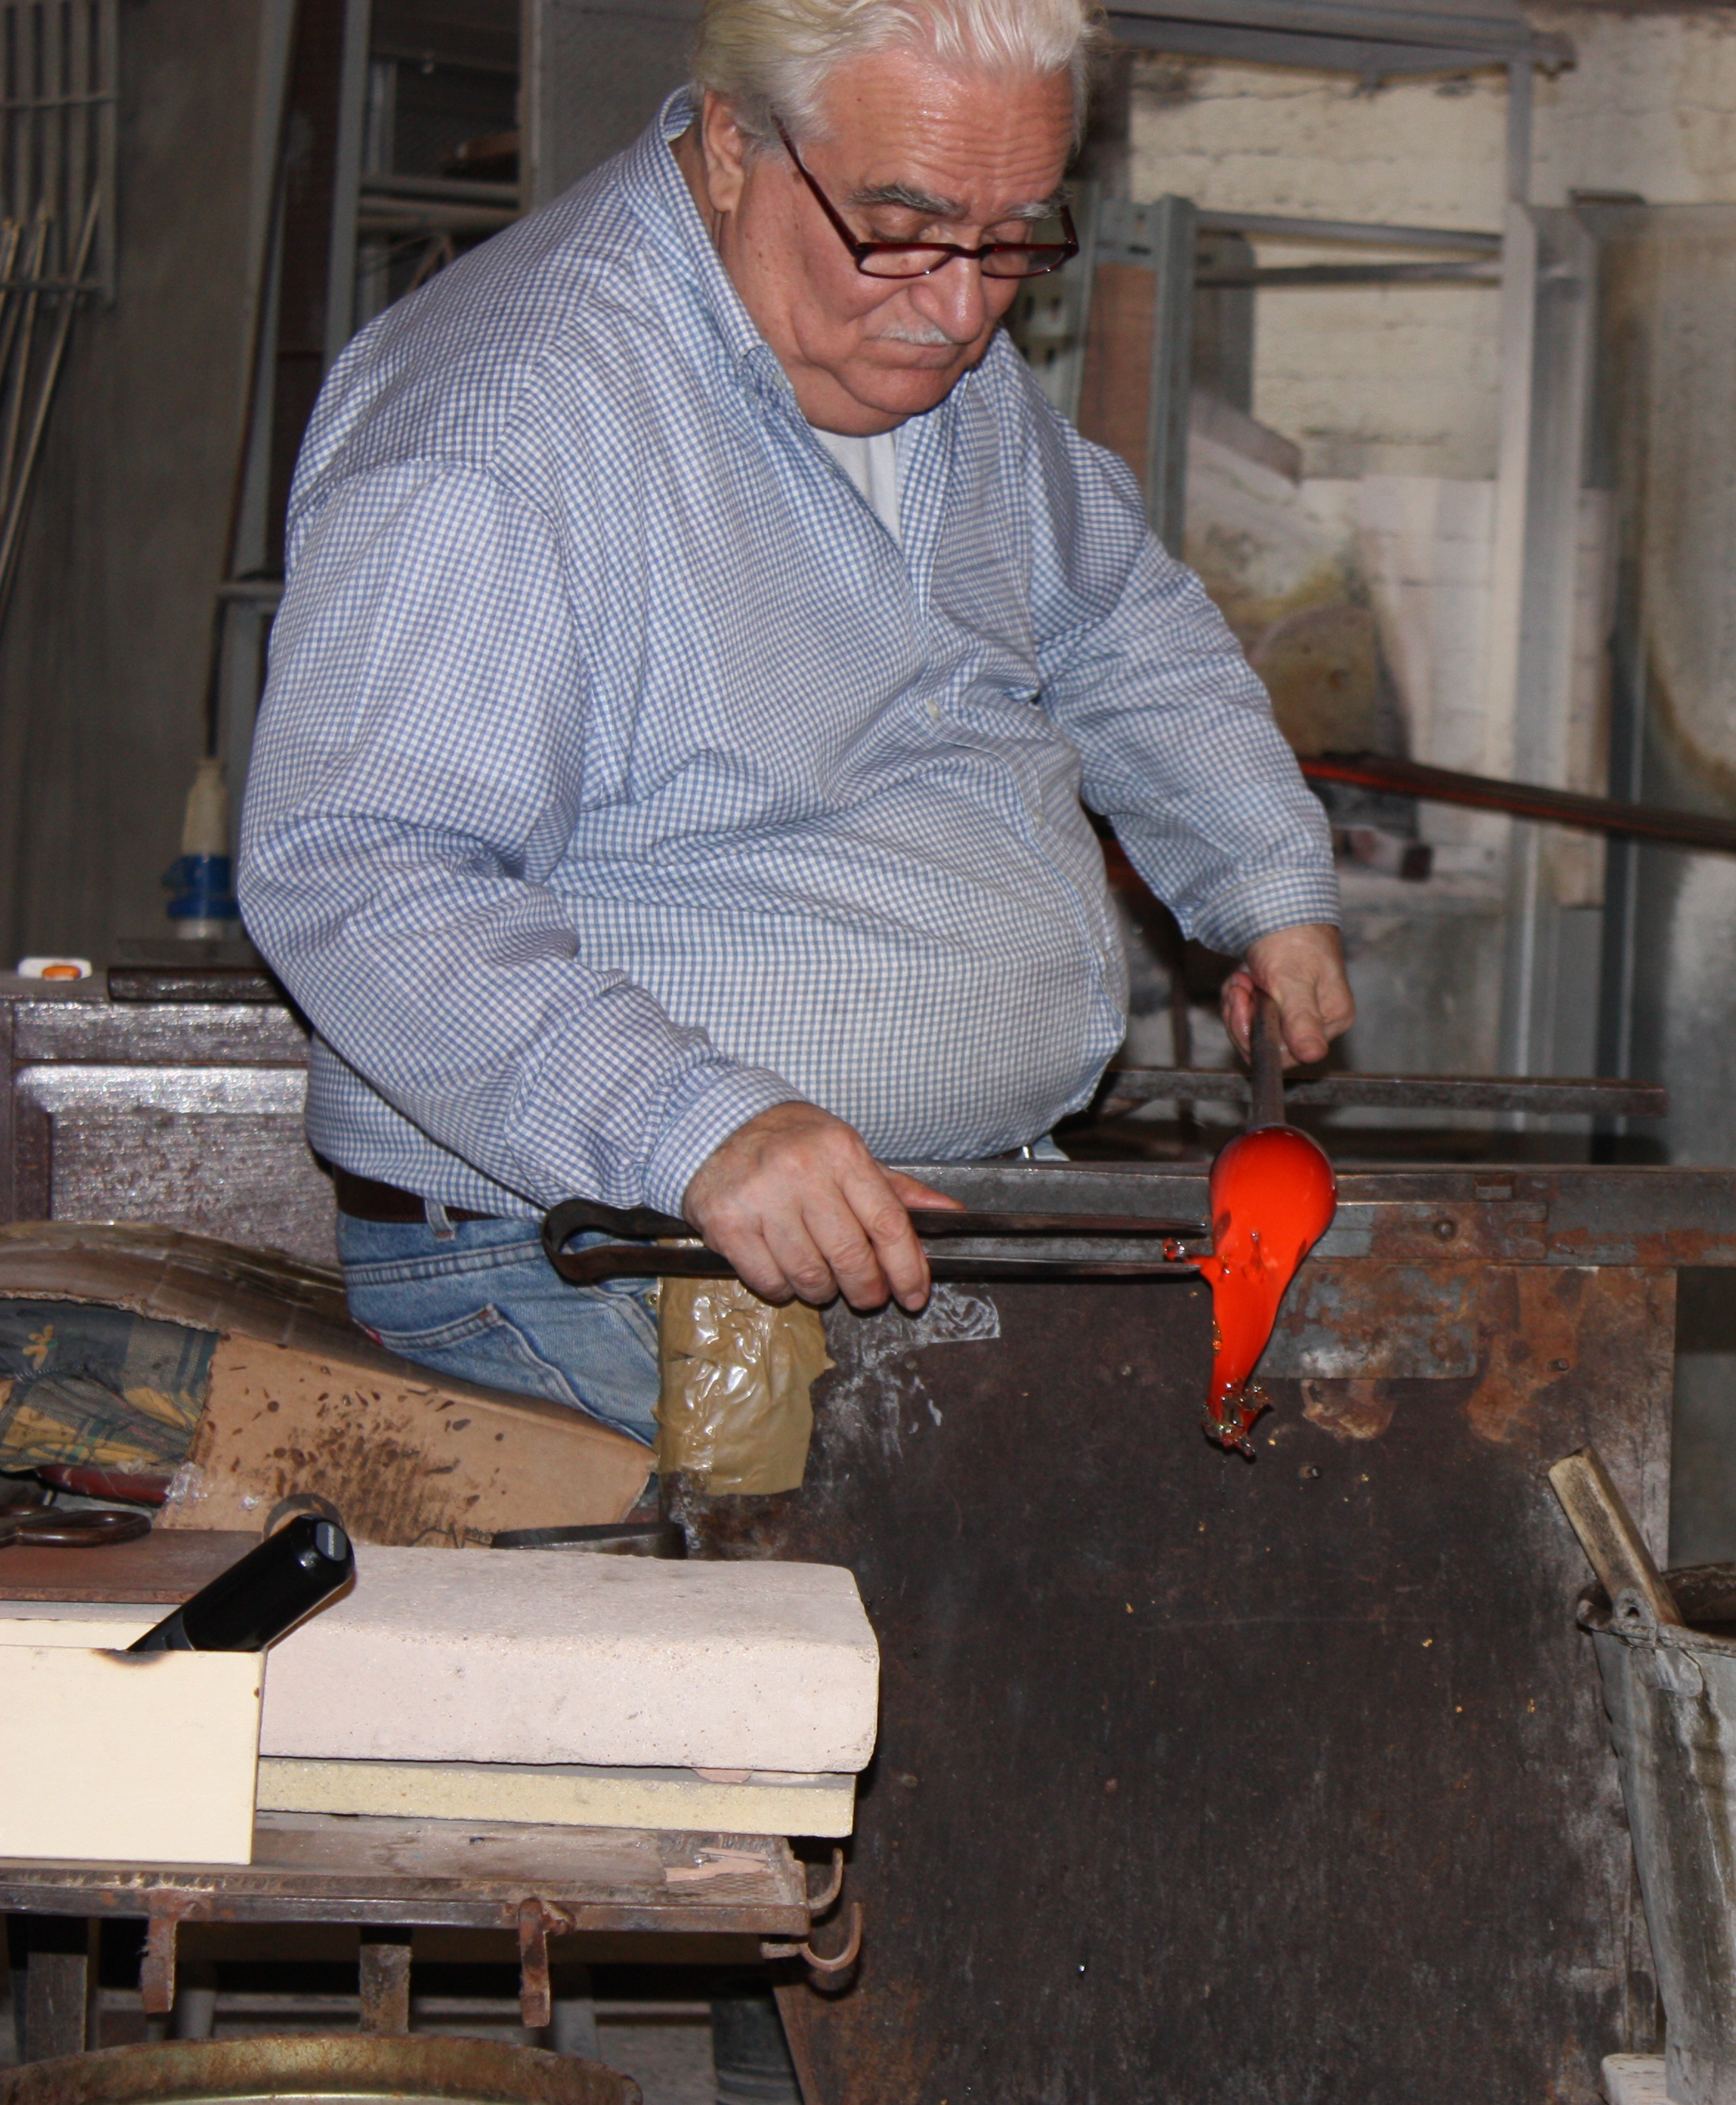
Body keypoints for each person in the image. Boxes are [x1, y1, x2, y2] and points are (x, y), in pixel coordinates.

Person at [239, 0, 1351, 1442]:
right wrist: (695, 1124)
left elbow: (1115, 621)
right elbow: (360, 867)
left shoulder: (919, 358)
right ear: (730, 144)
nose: (962, 309)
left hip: (915, 1229)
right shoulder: (507, 426)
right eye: (902, 228)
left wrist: (1260, 877)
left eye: (1013, 238)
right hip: (606, 1263)